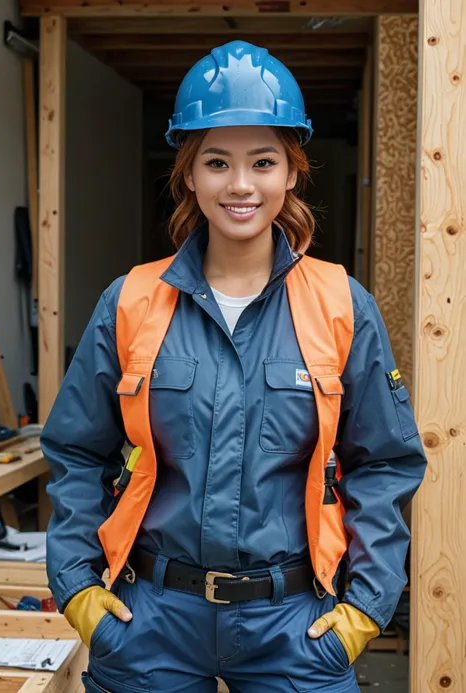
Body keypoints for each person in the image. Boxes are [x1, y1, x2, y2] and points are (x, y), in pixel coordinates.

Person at [41, 41, 427, 693]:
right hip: (150, 620)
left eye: (263, 162)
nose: (241, 185)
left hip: (296, 625)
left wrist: (364, 609)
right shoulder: (131, 302)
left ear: (292, 172)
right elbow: (76, 451)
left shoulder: (340, 305)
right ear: (189, 174)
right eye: (217, 162)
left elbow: (387, 460)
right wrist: (78, 587)